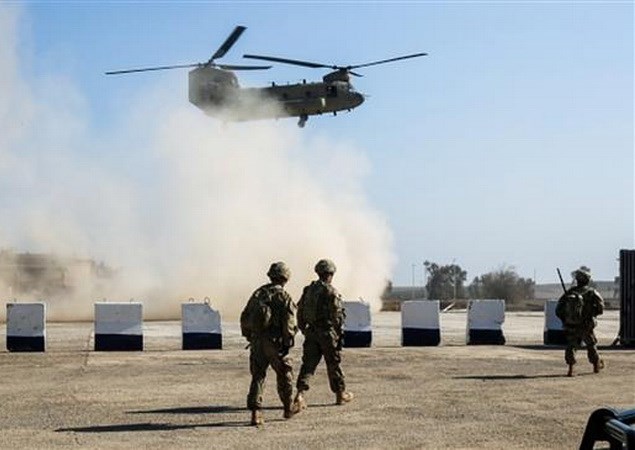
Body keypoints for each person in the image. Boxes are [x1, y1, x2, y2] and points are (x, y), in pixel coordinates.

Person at [240, 261, 299, 426]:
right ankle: (288, 408)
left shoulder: (258, 294)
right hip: (275, 343)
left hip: (257, 341)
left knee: (258, 376)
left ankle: (256, 413)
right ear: (285, 278)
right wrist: (288, 342)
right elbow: (289, 325)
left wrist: (250, 337)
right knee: (284, 374)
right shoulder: (284, 297)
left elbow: (245, 317)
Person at [293, 259, 354, 410]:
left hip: (311, 333)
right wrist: (338, 335)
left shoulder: (308, 290)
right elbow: (337, 316)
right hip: (327, 333)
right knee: (333, 364)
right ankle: (340, 394)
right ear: (330, 274)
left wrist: (304, 329)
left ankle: (299, 395)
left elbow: (299, 311)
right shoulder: (331, 291)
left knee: (308, 365)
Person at [555, 267, 605, 377]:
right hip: (586, 325)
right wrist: (592, 314)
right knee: (591, 345)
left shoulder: (570, 293)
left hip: (572, 325)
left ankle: (571, 369)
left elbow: (558, 310)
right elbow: (601, 308)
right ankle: (596, 365)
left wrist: (566, 319)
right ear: (587, 280)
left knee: (571, 346)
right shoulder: (592, 292)